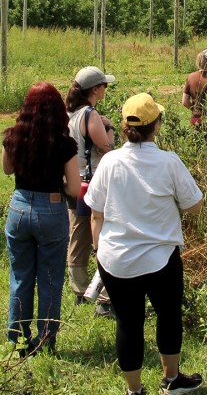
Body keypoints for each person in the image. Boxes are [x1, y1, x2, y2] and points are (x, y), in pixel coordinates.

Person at [84, 93, 204, 395]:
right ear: (157, 125)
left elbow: (95, 213)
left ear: (124, 126)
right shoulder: (168, 162)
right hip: (160, 258)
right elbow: (195, 206)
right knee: (168, 316)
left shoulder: (110, 162)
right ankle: (172, 379)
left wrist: (100, 251)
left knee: (128, 324)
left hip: (115, 259)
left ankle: (134, 390)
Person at [2, 83, 80, 355]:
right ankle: (45, 340)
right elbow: (72, 188)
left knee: (21, 277)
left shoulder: (13, 136)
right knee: (49, 279)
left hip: (20, 206)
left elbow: (7, 170)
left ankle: (17, 340)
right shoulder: (64, 143)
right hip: (51, 208)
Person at [65, 66, 116, 317]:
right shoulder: (90, 114)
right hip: (93, 180)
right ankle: (102, 292)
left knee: (77, 234)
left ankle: (78, 287)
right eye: (104, 85)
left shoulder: (70, 114)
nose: (106, 88)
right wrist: (109, 128)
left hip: (73, 180)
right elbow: (106, 147)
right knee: (101, 235)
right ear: (95, 89)